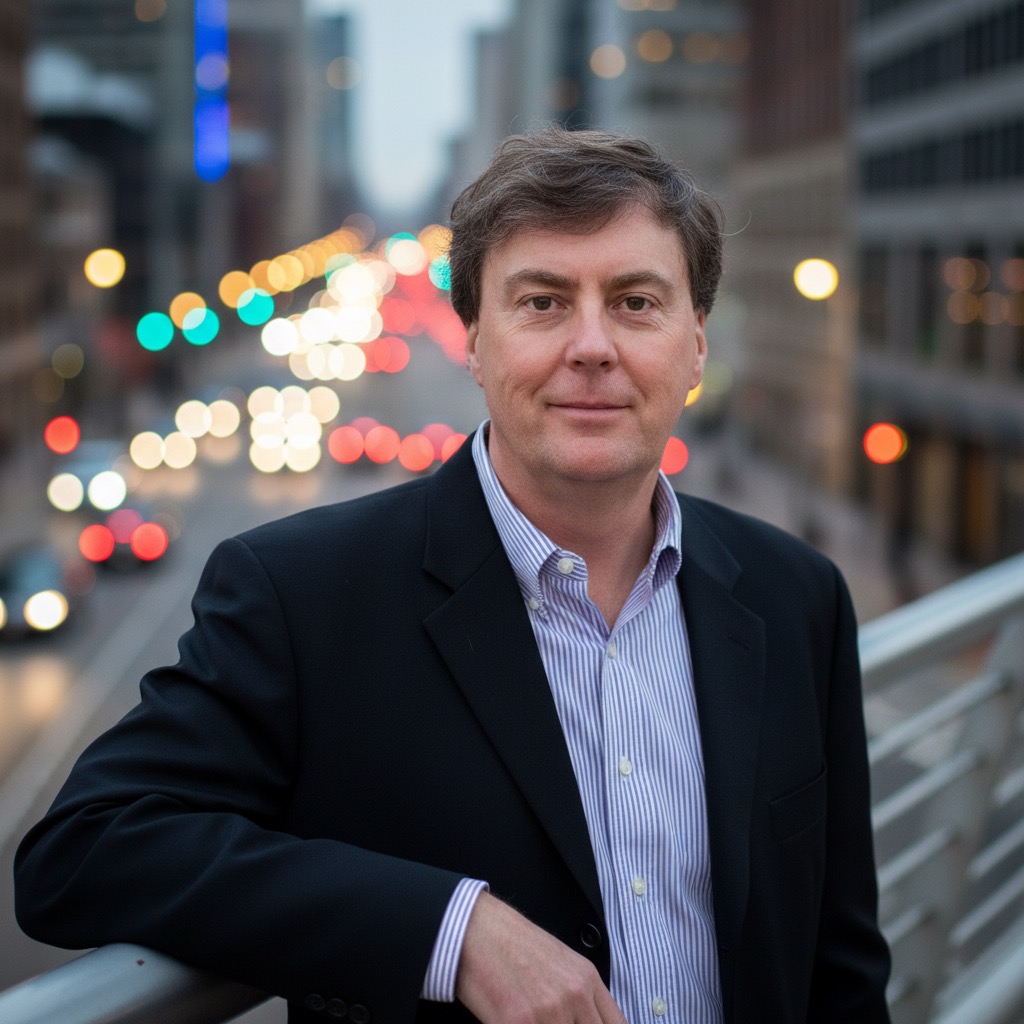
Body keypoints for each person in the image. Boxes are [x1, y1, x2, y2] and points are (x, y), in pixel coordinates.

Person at [15, 126, 891, 1024]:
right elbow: (82, 851)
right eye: (543, 303)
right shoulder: (302, 595)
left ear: (696, 346)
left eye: (635, 303)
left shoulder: (799, 596)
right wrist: (450, 929)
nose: (592, 346)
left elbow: (842, 967)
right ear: (472, 340)